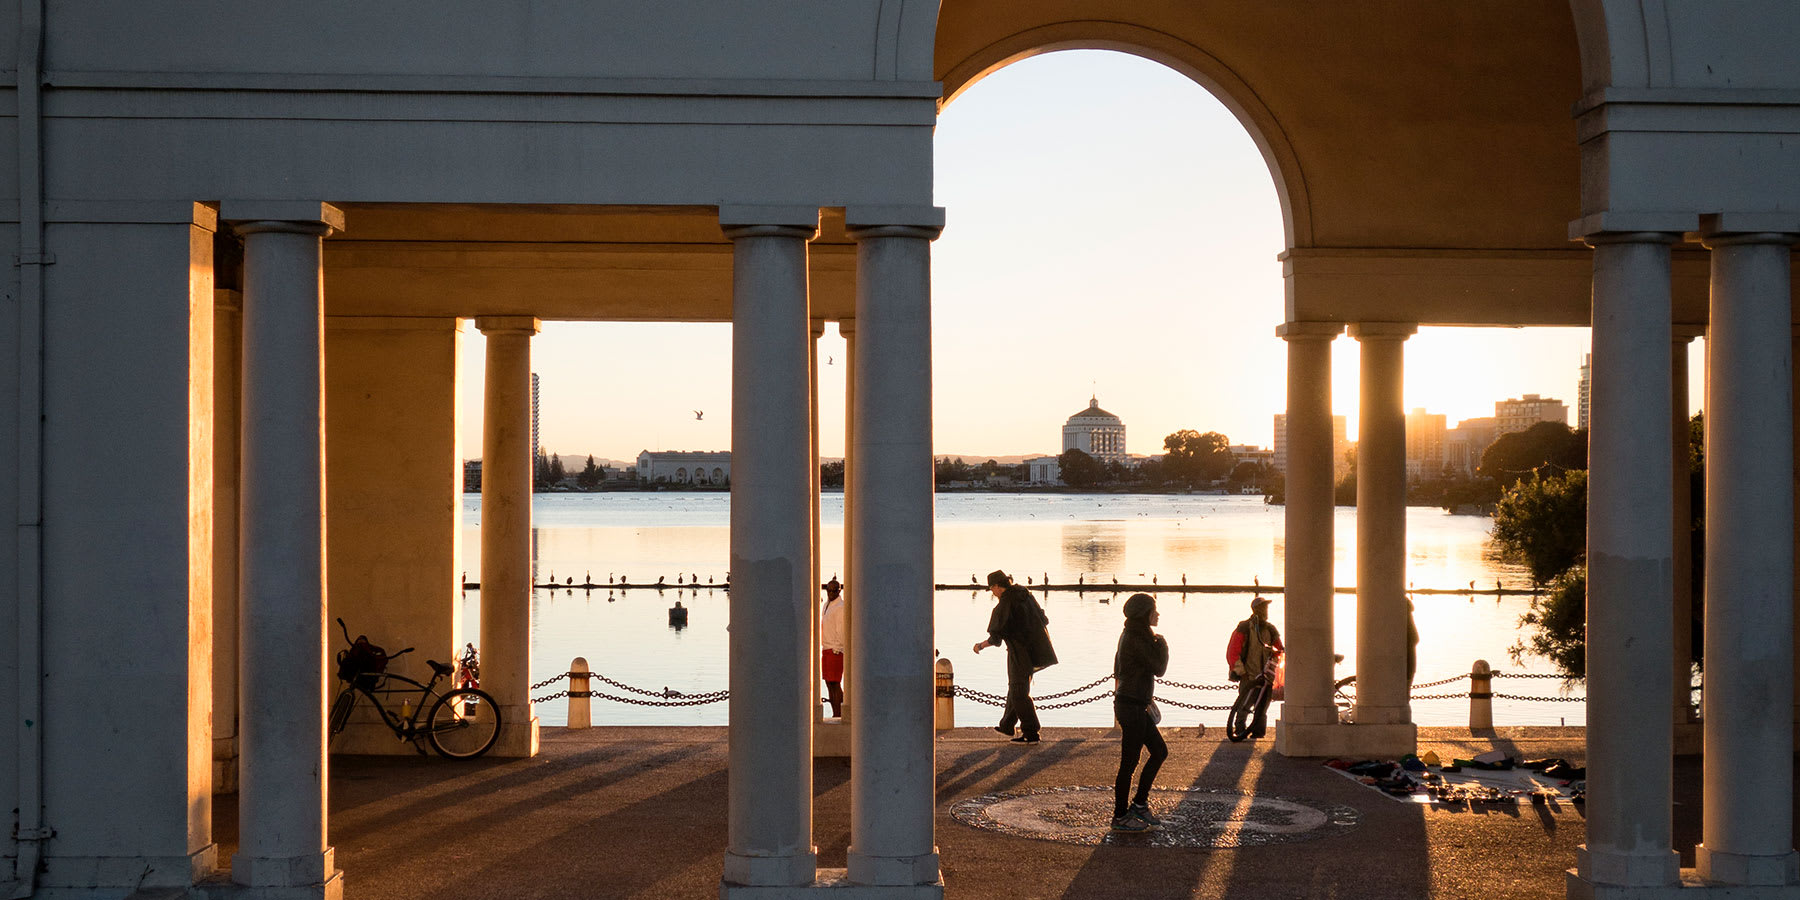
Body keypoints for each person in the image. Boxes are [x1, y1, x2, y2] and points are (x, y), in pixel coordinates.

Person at [1111, 593, 1169, 833]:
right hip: (1131, 706)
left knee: (1159, 751)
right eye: (1154, 610)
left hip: (1135, 704)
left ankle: (1140, 804)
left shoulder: (1134, 634)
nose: (1157, 614)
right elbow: (1159, 668)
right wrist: (1163, 645)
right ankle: (1121, 815)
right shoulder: (1136, 637)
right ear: (1144, 613)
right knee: (1130, 762)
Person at [972, 569, 1050, 743]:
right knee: (1017, 689)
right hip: (1035, 649)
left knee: (1018, 692)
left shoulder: (1005, 605)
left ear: (998, 586)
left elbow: (996, 638)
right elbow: (1044, 619)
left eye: (992, 589)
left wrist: (980, 646)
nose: (992, 592)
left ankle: (1031, 733)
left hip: (1018, 653)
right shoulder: (1026, 595)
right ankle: (1007, 725)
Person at [1225, 595, 1284, 739]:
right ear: (1255, 609)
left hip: (1266, 676)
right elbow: (1233, 651)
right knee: (1244, 704)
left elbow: (1280, 649)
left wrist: (1275, 662)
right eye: (1263, 607)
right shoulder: (1244, 627)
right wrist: (1240, 671)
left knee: (1262, 707)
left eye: (1266, 607)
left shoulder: (1270, 629)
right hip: (1249, 674)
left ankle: (1258, 733)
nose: (1266, 610)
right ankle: (1240, 730)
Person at [820, 577, 846, 717]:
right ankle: (835, 712)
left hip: (835, 650)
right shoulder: (827, 605)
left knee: (835, 682)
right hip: (826, 648)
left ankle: (838, 713)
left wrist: (837, 648)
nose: (830, 593)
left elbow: (841, 630)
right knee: (828, 682)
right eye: (828, 590)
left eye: (833, 590)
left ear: (839, 590)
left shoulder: (840, 607)